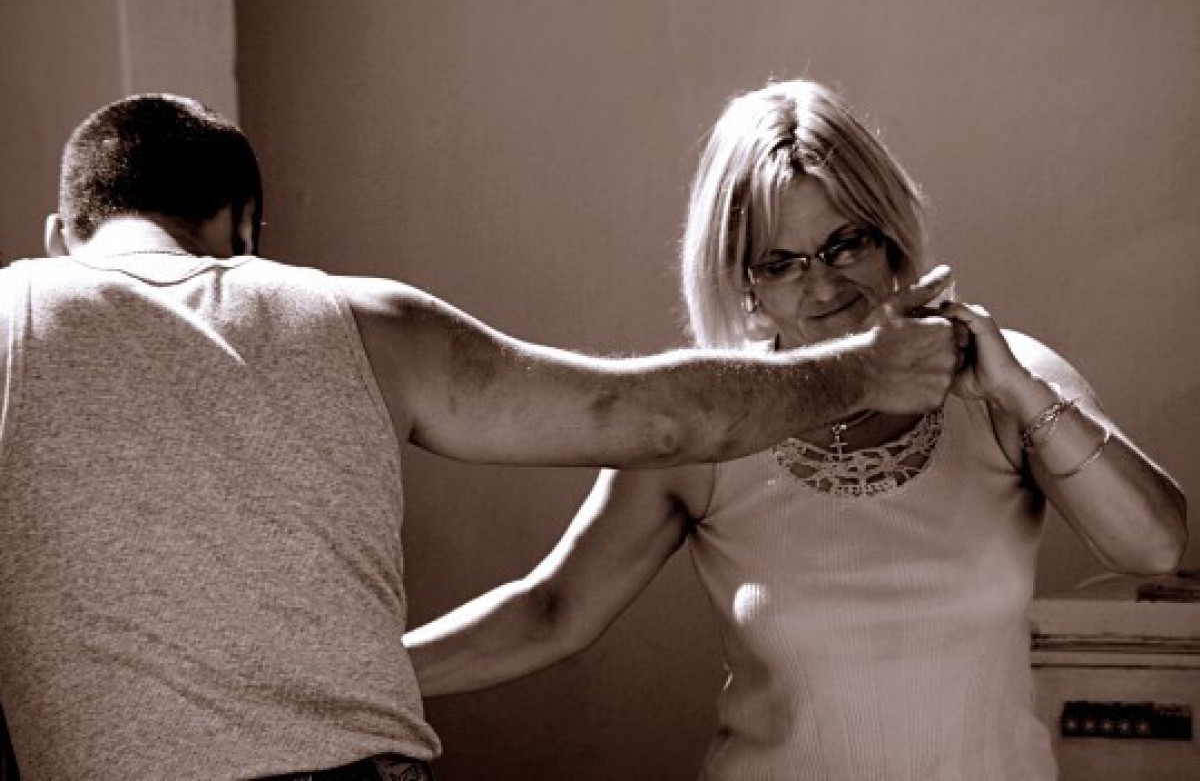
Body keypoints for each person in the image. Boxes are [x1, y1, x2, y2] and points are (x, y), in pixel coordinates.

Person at [0, 94, 961, 781]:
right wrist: (868, 371)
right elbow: (658, 420)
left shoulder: (11, 320)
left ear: (58, 236)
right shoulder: (364, 321)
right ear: (246, 228)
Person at [402, 79, 1189, 780]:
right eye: (781, 262)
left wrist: (1016, 390)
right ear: (743, 282)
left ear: (889, 236)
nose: (823, 284)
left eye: (845, 242)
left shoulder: (1005, 378)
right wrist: (356, 674)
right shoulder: (711, 424)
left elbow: (1154, 547)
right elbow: (551, 611)